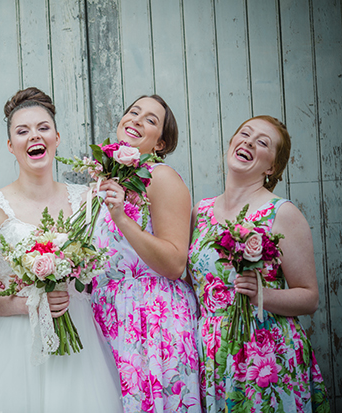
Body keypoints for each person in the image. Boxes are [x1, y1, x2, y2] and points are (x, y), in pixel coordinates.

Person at [0, 87, 122, 413]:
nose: (34, 136)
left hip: (79, 335)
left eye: (42, 128)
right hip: (14, 344)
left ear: (57, 136)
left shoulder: (89, 200)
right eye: (22, 131)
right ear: (11, 146)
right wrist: (32, 303)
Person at [188, 115, 330, 412]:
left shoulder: (282, 213)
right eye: (245, 134)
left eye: (262, 142)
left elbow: (309, 297)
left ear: (272, 167)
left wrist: (262, 295)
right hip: (213, 355)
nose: (249, 142)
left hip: (265, 355)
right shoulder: (198, 213)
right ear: (232, 144)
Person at [90, 95, 201, 412]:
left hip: (152, 320)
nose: (136, 119)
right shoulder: (106, 182)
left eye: (150, 119)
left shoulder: (161, 178)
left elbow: (175, 263)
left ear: (161, 144)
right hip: (110, 317)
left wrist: (123, 218)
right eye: (133, 112)